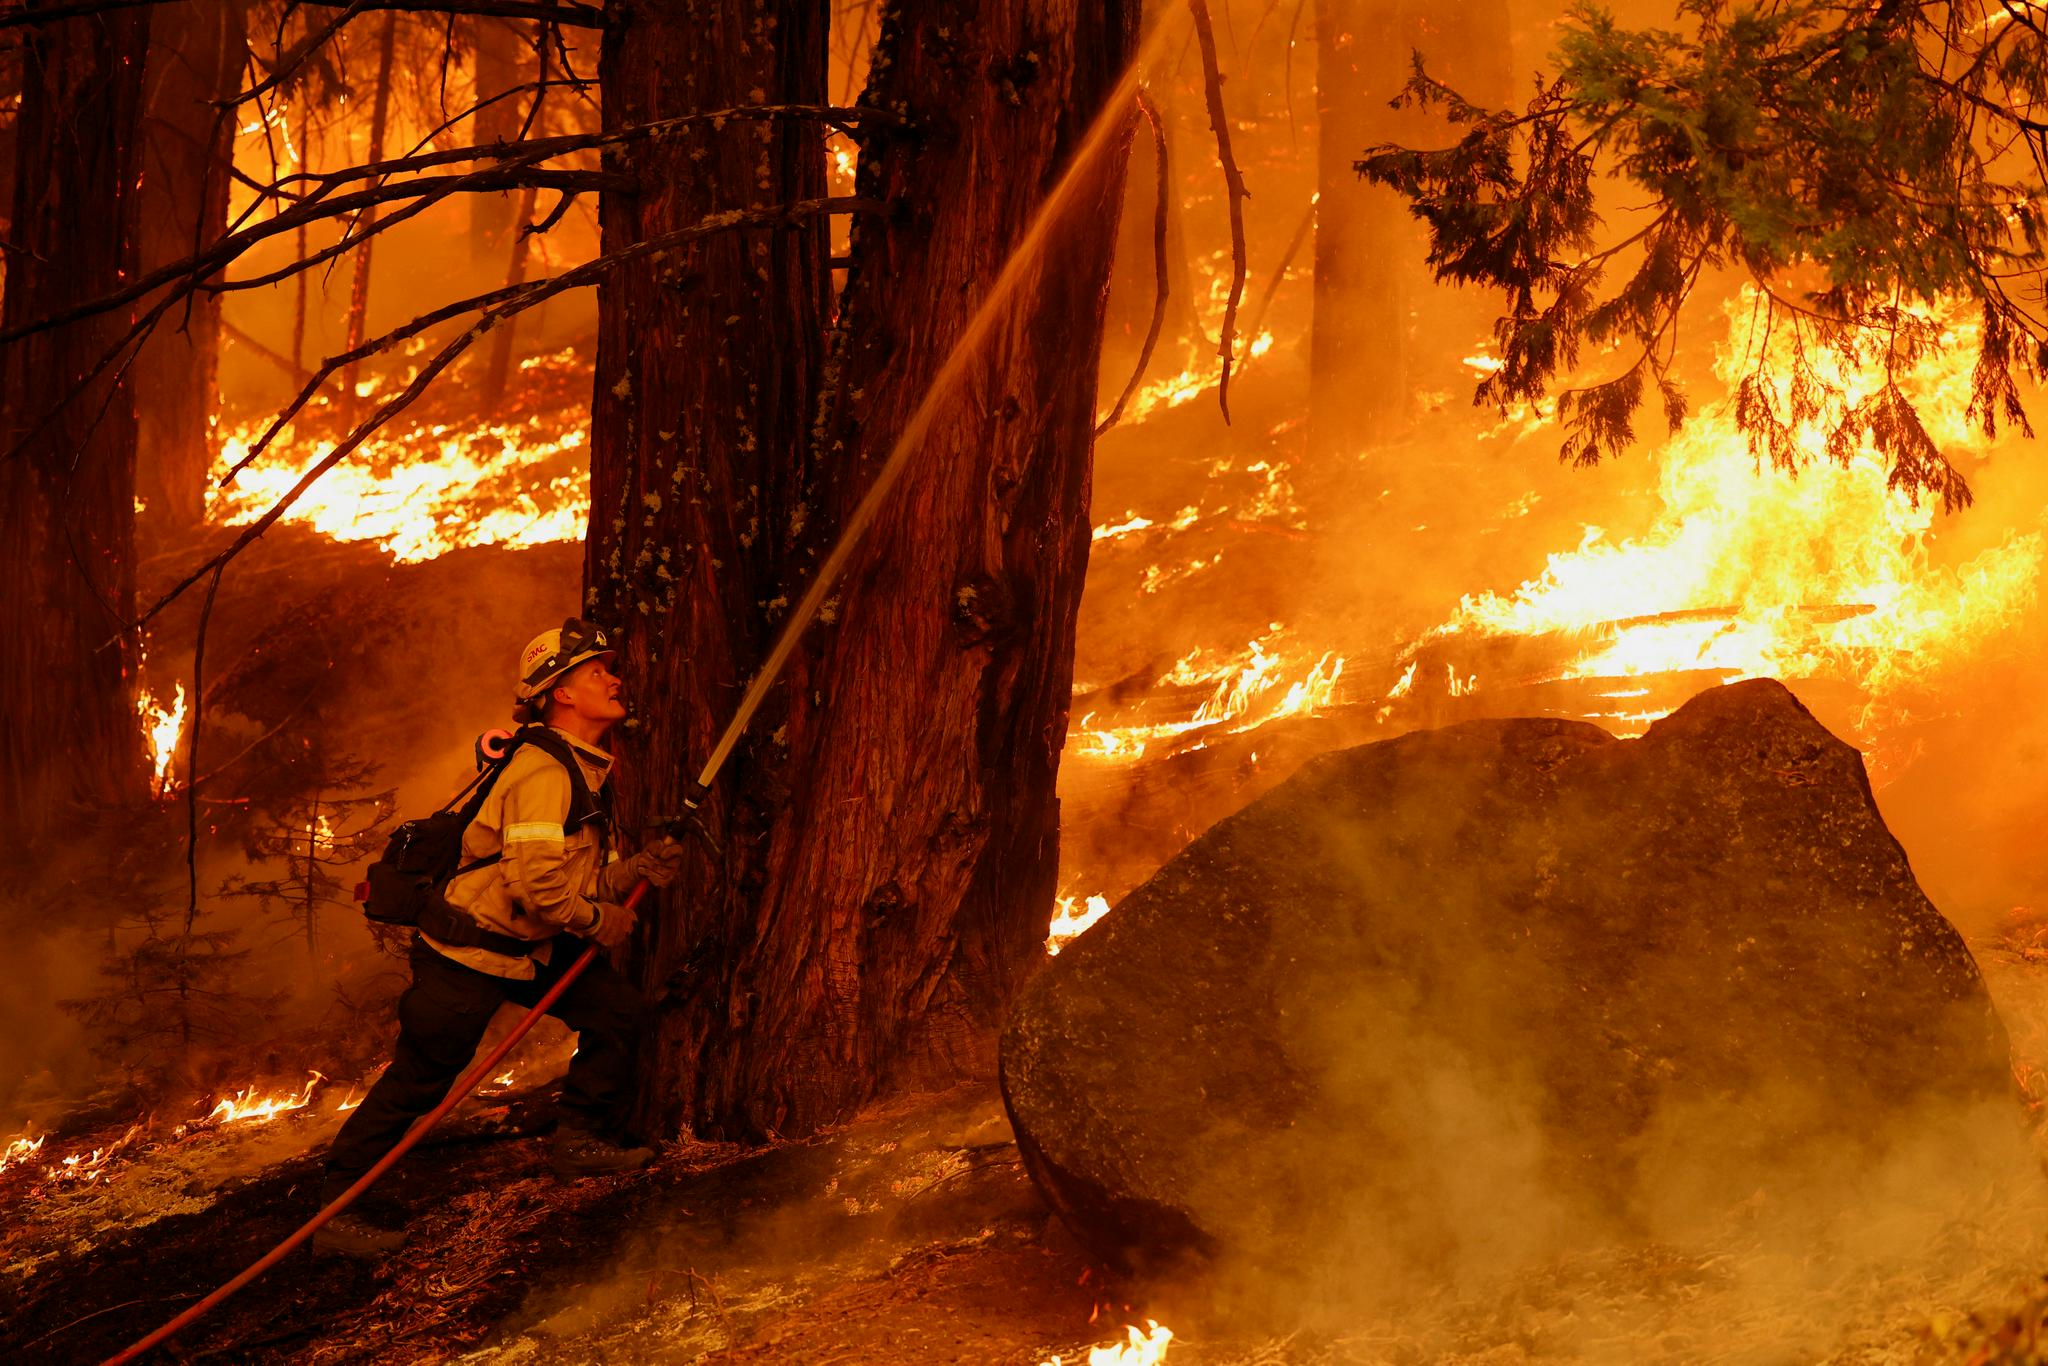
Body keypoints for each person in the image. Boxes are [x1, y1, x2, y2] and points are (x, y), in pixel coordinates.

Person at [314, 618, 685, 1257]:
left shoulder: (578, 764)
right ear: (561, 694)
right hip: (468, 952)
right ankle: (337, 1215)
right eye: (596, 671)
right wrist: (604, 920)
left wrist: (630, 872)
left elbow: (562, 873)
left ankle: (580, 1138)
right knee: (420, 1083)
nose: (614, 678)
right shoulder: (544, 770)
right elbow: (535, 888)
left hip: (526, 944)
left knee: (616, 1012)